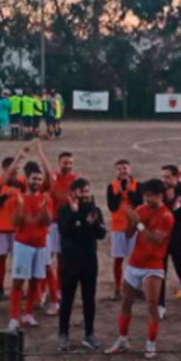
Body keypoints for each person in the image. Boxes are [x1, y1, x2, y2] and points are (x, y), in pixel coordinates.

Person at [107, 179, 174, 359]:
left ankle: (151, 344)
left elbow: (156, 240)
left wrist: (138, 223)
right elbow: (129, 234)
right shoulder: (141, 210)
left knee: (152, 305)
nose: (147, 199)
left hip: (153, 265)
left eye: (150, 196)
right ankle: (122, 340)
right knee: (126, 303)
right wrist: (130, 221)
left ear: (160, 196)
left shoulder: (166, 216)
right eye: (145, 196)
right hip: (135, 263)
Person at [57, 178, 107, 350]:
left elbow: (101, 234)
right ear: (73, 193)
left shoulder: (94, 210)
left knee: (89, 299)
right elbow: (64, 231)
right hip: (70, 262)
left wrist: (94, 224)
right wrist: (75, 215)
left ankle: (89, 334)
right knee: (67, 299)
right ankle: (63, 334)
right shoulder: (65, 210)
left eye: (87, 191)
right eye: (81, 191)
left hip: (89, 261)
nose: (85, 194)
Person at [6, 160, 52, 331]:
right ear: (27, 179)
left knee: (35, 280)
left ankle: (28, 313)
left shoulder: (46, 198)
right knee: (18, 282)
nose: (37, 182)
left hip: (40, 244)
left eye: (39, 179)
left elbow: (47, 222)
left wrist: (44, 208)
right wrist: (20, 206)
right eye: (34, 179)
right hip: (23, 245)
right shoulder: (17, 198)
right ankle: (13, 317)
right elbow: (15, 223)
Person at [38, 142, 77, 315]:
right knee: (46, 259)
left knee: (62, 259)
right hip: (51, 224)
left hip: (65, 224)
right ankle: (42, 290)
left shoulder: (74, 180)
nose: (68, 165)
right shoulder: (52, 177)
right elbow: (46, 171)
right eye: (65, 162)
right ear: (58, 163)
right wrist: (40, 152)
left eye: (70, 163)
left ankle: (58, 288)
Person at [157, 163, 181, 322]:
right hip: (161, 238)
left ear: (176, 176)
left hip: (178, 238)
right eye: (163, 177)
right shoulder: (159, 192)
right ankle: (160, 305)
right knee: (160, 273)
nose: (164, 180)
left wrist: (172, 201)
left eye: (167, 177)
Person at [106, 160, 142, 302]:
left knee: (137, 259)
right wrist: (120, 193)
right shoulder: (112, 186)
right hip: (118, 227)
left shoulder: (137, 185)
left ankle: (137, 287)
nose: (122, 171)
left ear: (130, 169)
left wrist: (128, 192)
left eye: (124, 168)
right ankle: (117, 288)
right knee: (118, 259)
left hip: (134, 226)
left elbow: (139, 202)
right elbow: (112, 206)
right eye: (119, 169)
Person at [0, 155, 23, 300]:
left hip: (17, 228)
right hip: (1, 227)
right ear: (5, 169)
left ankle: (17, 288)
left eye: (17, 169)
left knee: (17, 260)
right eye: (13, 169)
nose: (16, 171)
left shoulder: (21, 182)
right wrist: (6, 196)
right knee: (1, 259)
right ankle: (0, 288)